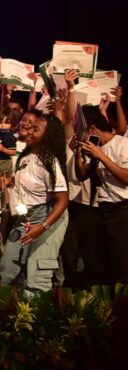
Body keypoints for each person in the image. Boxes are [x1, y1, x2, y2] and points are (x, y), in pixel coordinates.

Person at [0, 114, 69, 294]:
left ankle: (38, 319)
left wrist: (43, 226)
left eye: (35, 129)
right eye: (29, 127)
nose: (29, 131)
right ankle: (10, 317)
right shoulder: (26, 155)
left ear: (48, 134)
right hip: (25, 218)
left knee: (37, 275)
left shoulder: (49, 161)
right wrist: (9, 182)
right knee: (9, 270)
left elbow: (63, 199)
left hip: (48, 216)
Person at [73, 109, 128, 285]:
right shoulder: (95, 149)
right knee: (98, 262)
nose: (80, 136)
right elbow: (82, 176)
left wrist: (101, 156)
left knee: (120, 263)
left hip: (122, 210)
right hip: (101, 209)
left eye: (81, 131)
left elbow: (126, 178)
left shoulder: (122, 145)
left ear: (92, 129)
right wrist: (77, 154)